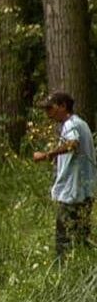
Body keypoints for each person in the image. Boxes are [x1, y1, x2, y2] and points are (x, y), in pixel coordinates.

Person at [31, 90, 94, 262]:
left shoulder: (70, 125)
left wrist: (46, 155)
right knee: (81, 237)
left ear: (63, 106)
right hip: (84, 191)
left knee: (63, 239)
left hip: (72, 193)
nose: (48, 114)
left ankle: (61, 272)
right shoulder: (81, 124)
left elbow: (72, 143)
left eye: (50, 109)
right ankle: (83, 268)